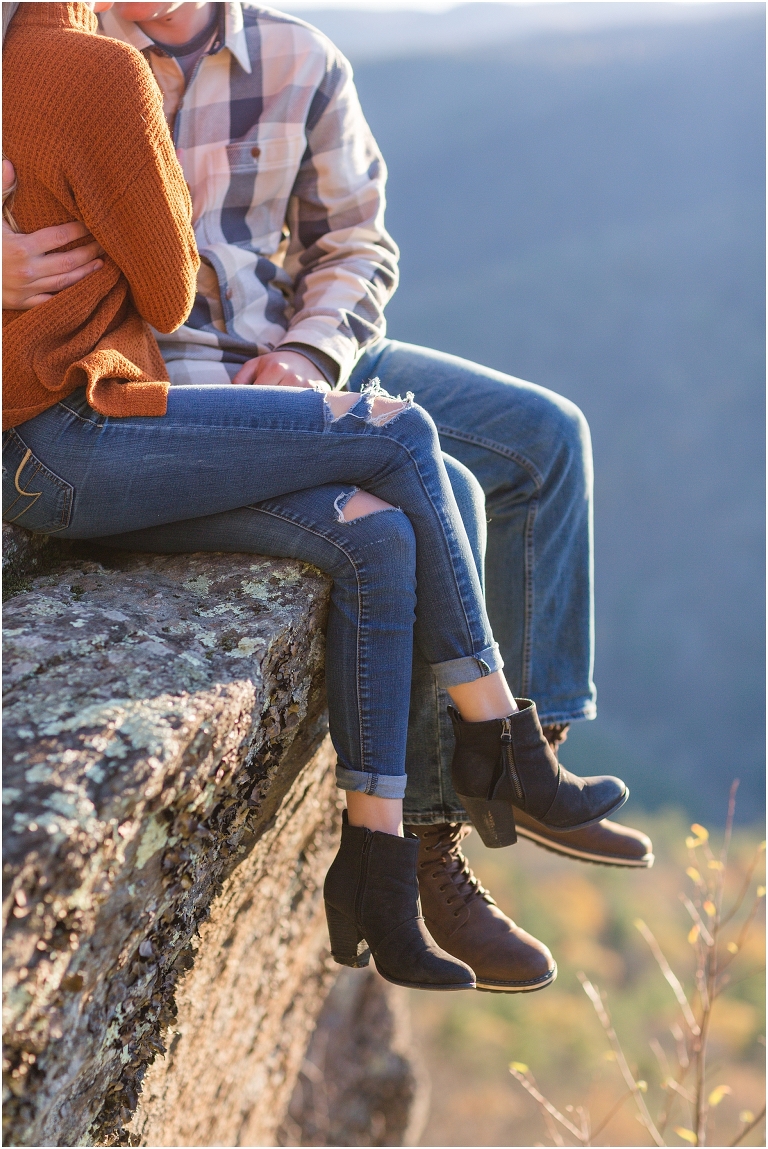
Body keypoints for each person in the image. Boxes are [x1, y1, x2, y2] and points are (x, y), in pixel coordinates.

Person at [2, 0, 650, 994]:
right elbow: (150, 283)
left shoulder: (298, 56)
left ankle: (528, 753)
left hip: (298, 347)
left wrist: (311, 352)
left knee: (547, 437)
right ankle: (432, 842)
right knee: (446, 497)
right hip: (169, 378)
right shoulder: (74, 62)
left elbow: (356, 241)